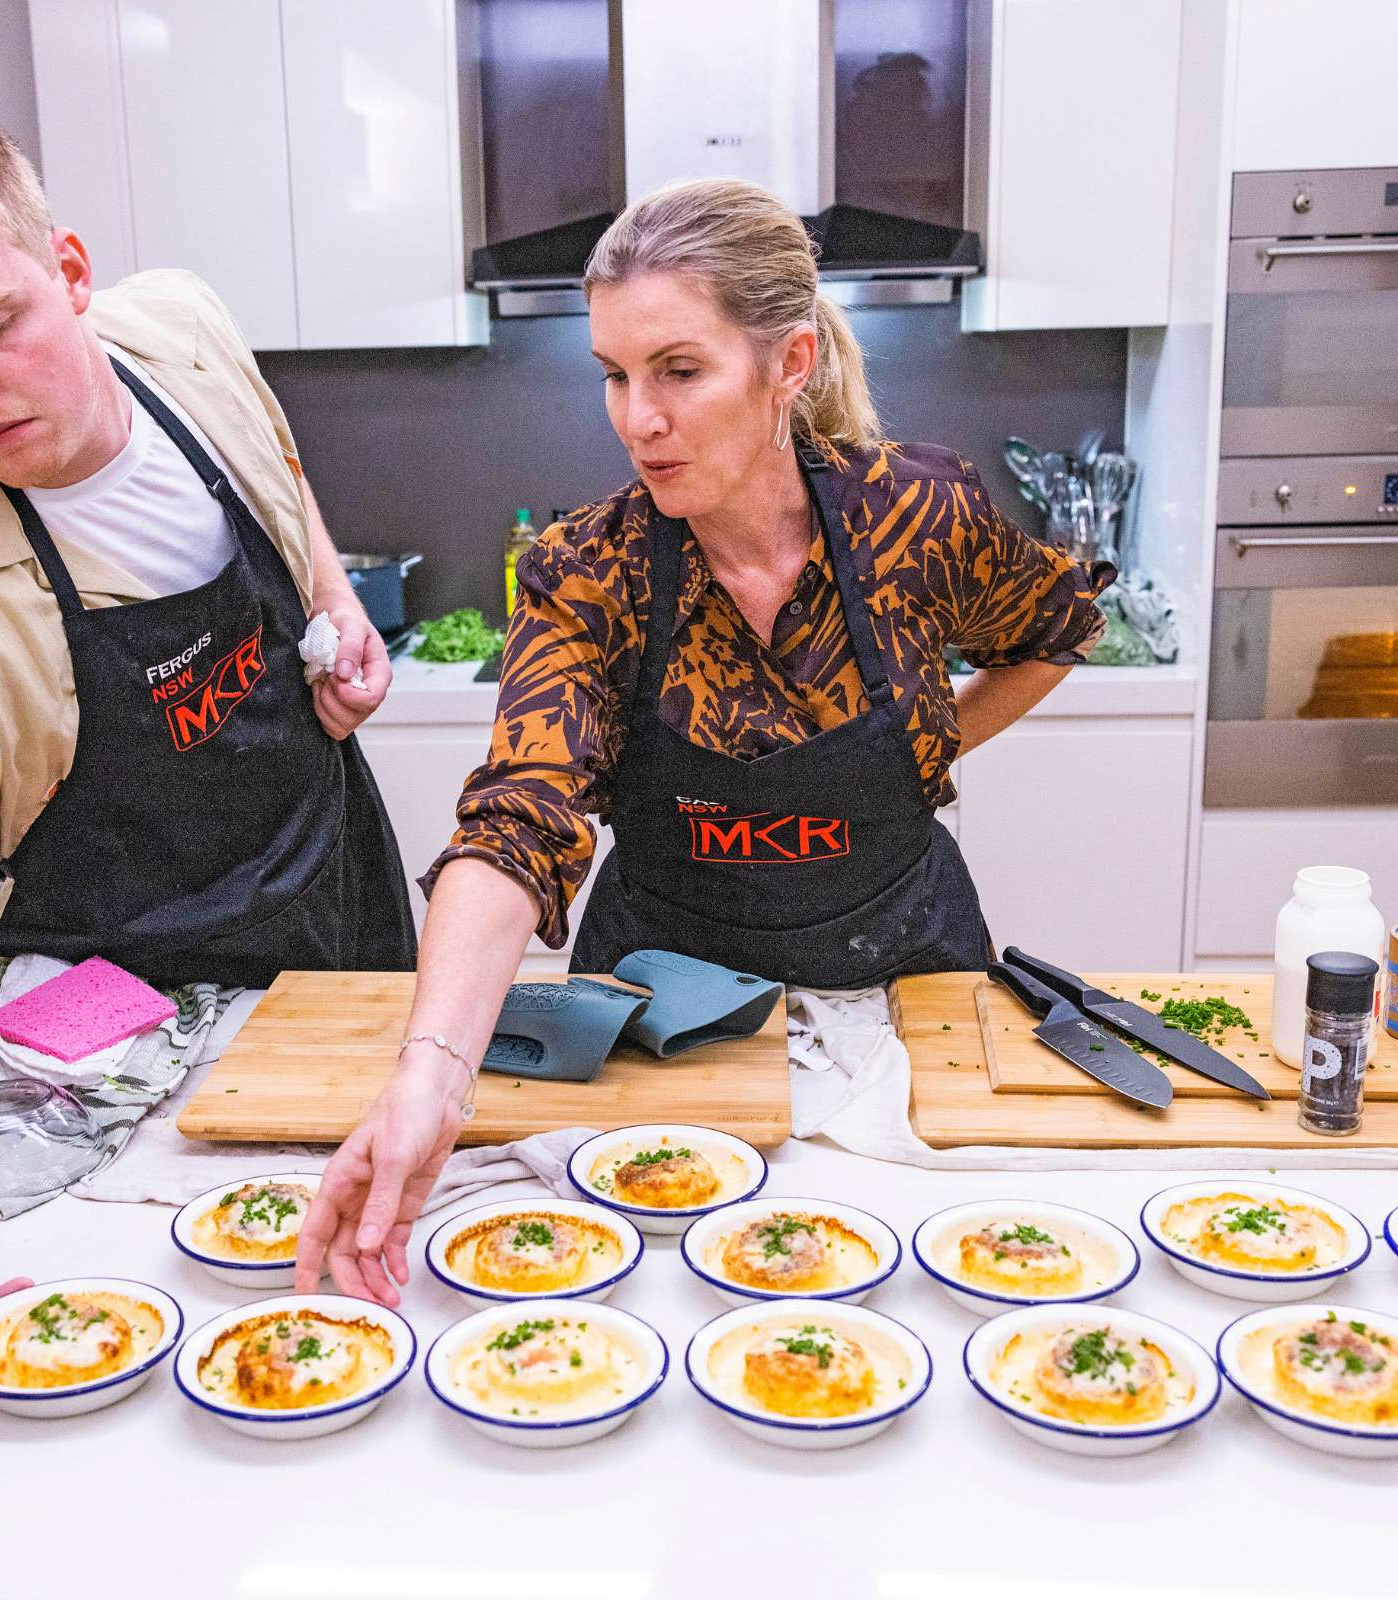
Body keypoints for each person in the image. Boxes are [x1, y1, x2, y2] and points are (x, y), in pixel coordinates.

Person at [295, 177, 1112, 1304]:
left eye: (679, 370)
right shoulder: (589, 569)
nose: (640, 419)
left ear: (789, 366)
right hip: (662, 1020)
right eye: (616, 378)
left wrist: (931, 746)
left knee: (939, 1299)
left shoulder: (917, 516)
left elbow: (1058, 628)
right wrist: (430, 1075)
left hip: (902, 1007)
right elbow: (515, 821)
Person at [0, 95, 415, 1384]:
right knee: (225, 1336)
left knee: (395, 1273)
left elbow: (278, 472)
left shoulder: (179, 328)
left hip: (336, 887)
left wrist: (334, 604)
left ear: (70, 275)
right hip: (142, 1025)